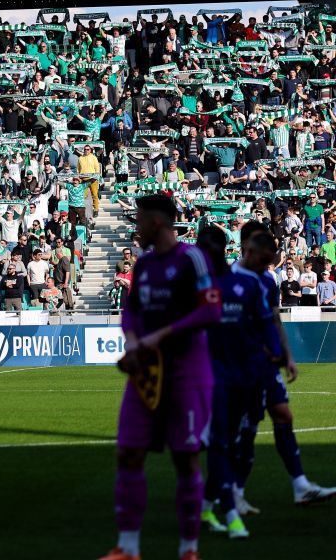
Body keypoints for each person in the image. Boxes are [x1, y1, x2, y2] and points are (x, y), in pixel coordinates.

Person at [99, 195, 221, 560]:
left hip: (188, 374)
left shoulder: (192, 258)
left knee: (185, 460)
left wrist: (161, 335)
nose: (135, 227)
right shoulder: (145, 263)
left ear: (157, 222)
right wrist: (134, 340)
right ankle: (129, 548)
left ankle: (188, 550)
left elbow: (211, 311)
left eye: (138, 220)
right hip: (146, 375)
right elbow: (131, 309)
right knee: (129, 454)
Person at [231, 222, 336, 513]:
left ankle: (300, 485)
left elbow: (274, 317)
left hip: (268, 363)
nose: (268, 261)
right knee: (247, 428)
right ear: (247, 246)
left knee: (282, 414)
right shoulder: (231, 278)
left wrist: (287, 355)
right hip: (245, 365)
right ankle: (234, 493)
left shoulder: (265, 279)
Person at [195, 227, 281, 539]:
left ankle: (205, 506)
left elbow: (265, 322)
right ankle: (230, 513)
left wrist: (277, 351)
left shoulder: (246, 284)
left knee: (231, 441)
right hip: (210, 377)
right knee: (217, 443)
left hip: (245, 374)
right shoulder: (199, 287)